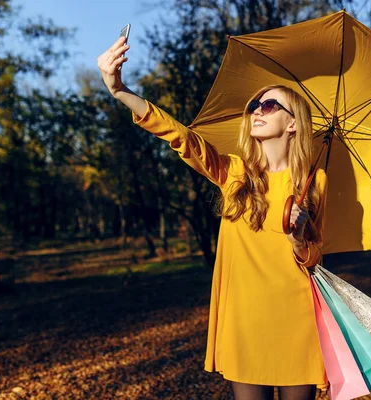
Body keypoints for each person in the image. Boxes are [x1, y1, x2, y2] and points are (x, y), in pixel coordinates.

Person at [97, 36, 329, 400]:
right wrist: (120, 91)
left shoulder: (313, 182)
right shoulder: (236, 172)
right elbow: (183, 139)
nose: (258, 109)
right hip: (244, 317)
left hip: (296, 318)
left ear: (293, 124)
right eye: (255, 104)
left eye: (269, 105)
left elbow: (314, 259)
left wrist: (300, 238)